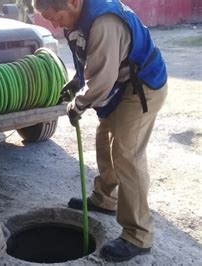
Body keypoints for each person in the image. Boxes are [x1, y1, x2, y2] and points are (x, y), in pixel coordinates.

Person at [34, 0, 168, 262]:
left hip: (141, 88)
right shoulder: (76, 17)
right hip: (120, 85)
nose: (53, 24)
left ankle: (138, 235)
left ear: (73, 2)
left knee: (127, 155)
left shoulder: (104, 22)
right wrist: (77, 81)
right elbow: (90, 58)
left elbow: (102, 81)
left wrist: (79, 104)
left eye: (55, 17)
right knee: (103, 138)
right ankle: (105, 198)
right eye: (48, 19)